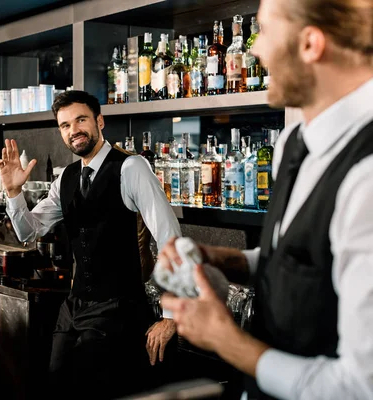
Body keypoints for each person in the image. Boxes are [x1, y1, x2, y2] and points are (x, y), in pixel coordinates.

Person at [159, 0, 373, 399]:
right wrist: (226, 259)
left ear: (311, 44)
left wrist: (227, 341)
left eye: (265, 31)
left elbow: (359, 388)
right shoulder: (295, 144)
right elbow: (304, 258)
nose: (253, 50)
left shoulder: (367, 176)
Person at [0, 90, 181, 399]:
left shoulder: (131, 167)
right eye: (65, 125)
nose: (74, 131)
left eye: (81, 120)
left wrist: (171, 316)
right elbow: (28, 232)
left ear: (99, 121)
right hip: (73, 306)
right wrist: (14, 193)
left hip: (118, 309)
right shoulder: (66, 178)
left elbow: (170, 238)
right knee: (56, 385)